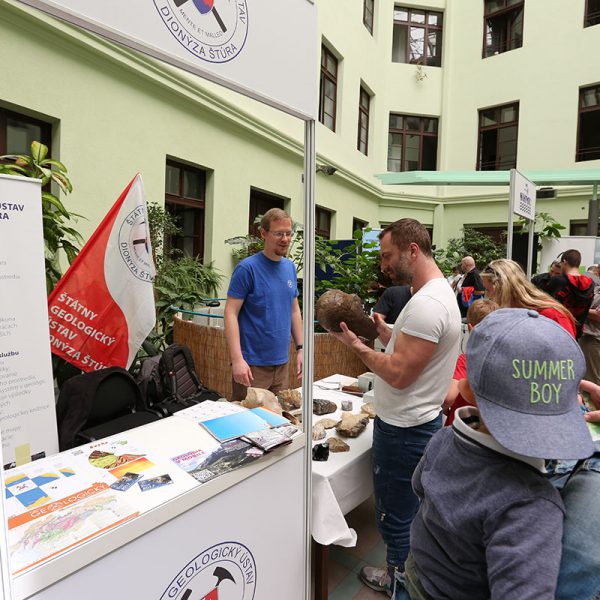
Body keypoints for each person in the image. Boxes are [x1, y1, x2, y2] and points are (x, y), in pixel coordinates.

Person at [406, 308, 594, 600]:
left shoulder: (443, 439)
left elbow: (419, 487)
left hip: (419, 574)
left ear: (466, 390)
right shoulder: (530, 505)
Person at [328, 218, 461, 598]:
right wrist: (390, 335)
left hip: (405, 430)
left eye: (388, 255)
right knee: (407, 509)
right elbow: (416, 356)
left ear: (412, 250)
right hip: (418, 422)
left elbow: (400, 375)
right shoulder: (435, 294)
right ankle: (402, 575)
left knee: (395, 515)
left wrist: (357, 346)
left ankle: (398, 583)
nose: (384, 264)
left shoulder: (427, 305)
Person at [224, 208, 303, 402]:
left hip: (282, 364)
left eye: (288, 233)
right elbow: (230, 313)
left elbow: (294, 310)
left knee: (278, 416)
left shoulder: (289, 267)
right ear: (264, 234)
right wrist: (237, 360)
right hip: (252, 366)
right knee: (247, 418)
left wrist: (301, 348)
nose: (285, 239)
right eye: (278, 234)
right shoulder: (247, 268)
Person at [480, 258, 577, 337]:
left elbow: (568, 352)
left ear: (502, 288)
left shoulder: (551, 314)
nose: (488, 297)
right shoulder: (512, 312)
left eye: (488, 290)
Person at [442, 298, 498, 427]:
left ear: (469, 327)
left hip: (462, 427)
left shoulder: (466, 360)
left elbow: (449, 397)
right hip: (489, 426)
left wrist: (444, 408)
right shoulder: (501, 360)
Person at [546, 248, 594, 338]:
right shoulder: (590, 284)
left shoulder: (558, 280)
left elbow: (547, 303)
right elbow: (587, 309)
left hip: (557, 328)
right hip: (576, 331)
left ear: (564, 262)